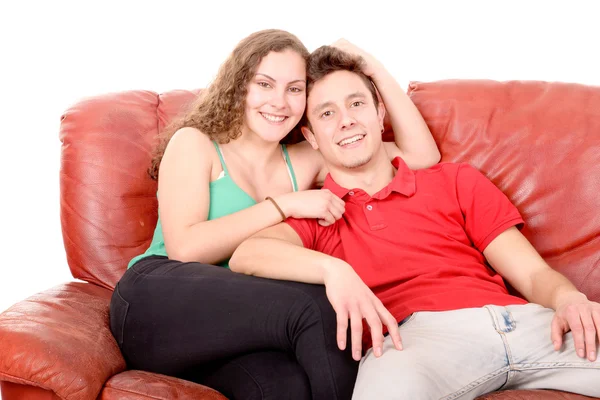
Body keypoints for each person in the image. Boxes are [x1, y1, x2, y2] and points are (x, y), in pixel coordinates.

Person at [228, 45, 600, 400]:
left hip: (526, 324)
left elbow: (532, 274)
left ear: (379, 114)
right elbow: (247, 254)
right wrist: (333, 270)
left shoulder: (455, 180)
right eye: (327, 114)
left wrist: (568, 298)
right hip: (418, 344)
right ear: (311, 137)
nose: (346, 121)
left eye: (356, 103)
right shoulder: (318, 212)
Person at [109, 29, 441, 400]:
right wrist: (284, 206)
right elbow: (185, 249)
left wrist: (373, 69)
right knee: (315, 306)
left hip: (235, 330)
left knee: (285, 388)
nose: (279, 102)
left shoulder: (305, 160)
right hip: (156, 304)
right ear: (238, 86)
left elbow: (422, 158)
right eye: (265, 84)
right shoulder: (195, 143)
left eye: (295, 89)